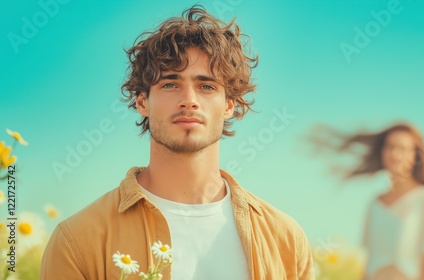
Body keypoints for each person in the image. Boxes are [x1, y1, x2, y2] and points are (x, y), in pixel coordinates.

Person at [41, 6, 314, 280]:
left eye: (206, 86)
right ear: (142, 102)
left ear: (229, 106)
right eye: (170, 84)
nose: (189, 100)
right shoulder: (76, 240)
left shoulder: (286, 240)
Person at [308, 123, 424, 280]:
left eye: (402, 148)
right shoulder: (374, 205)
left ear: (415, 155)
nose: (394, 154)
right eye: (389, 147)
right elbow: (369, 264)